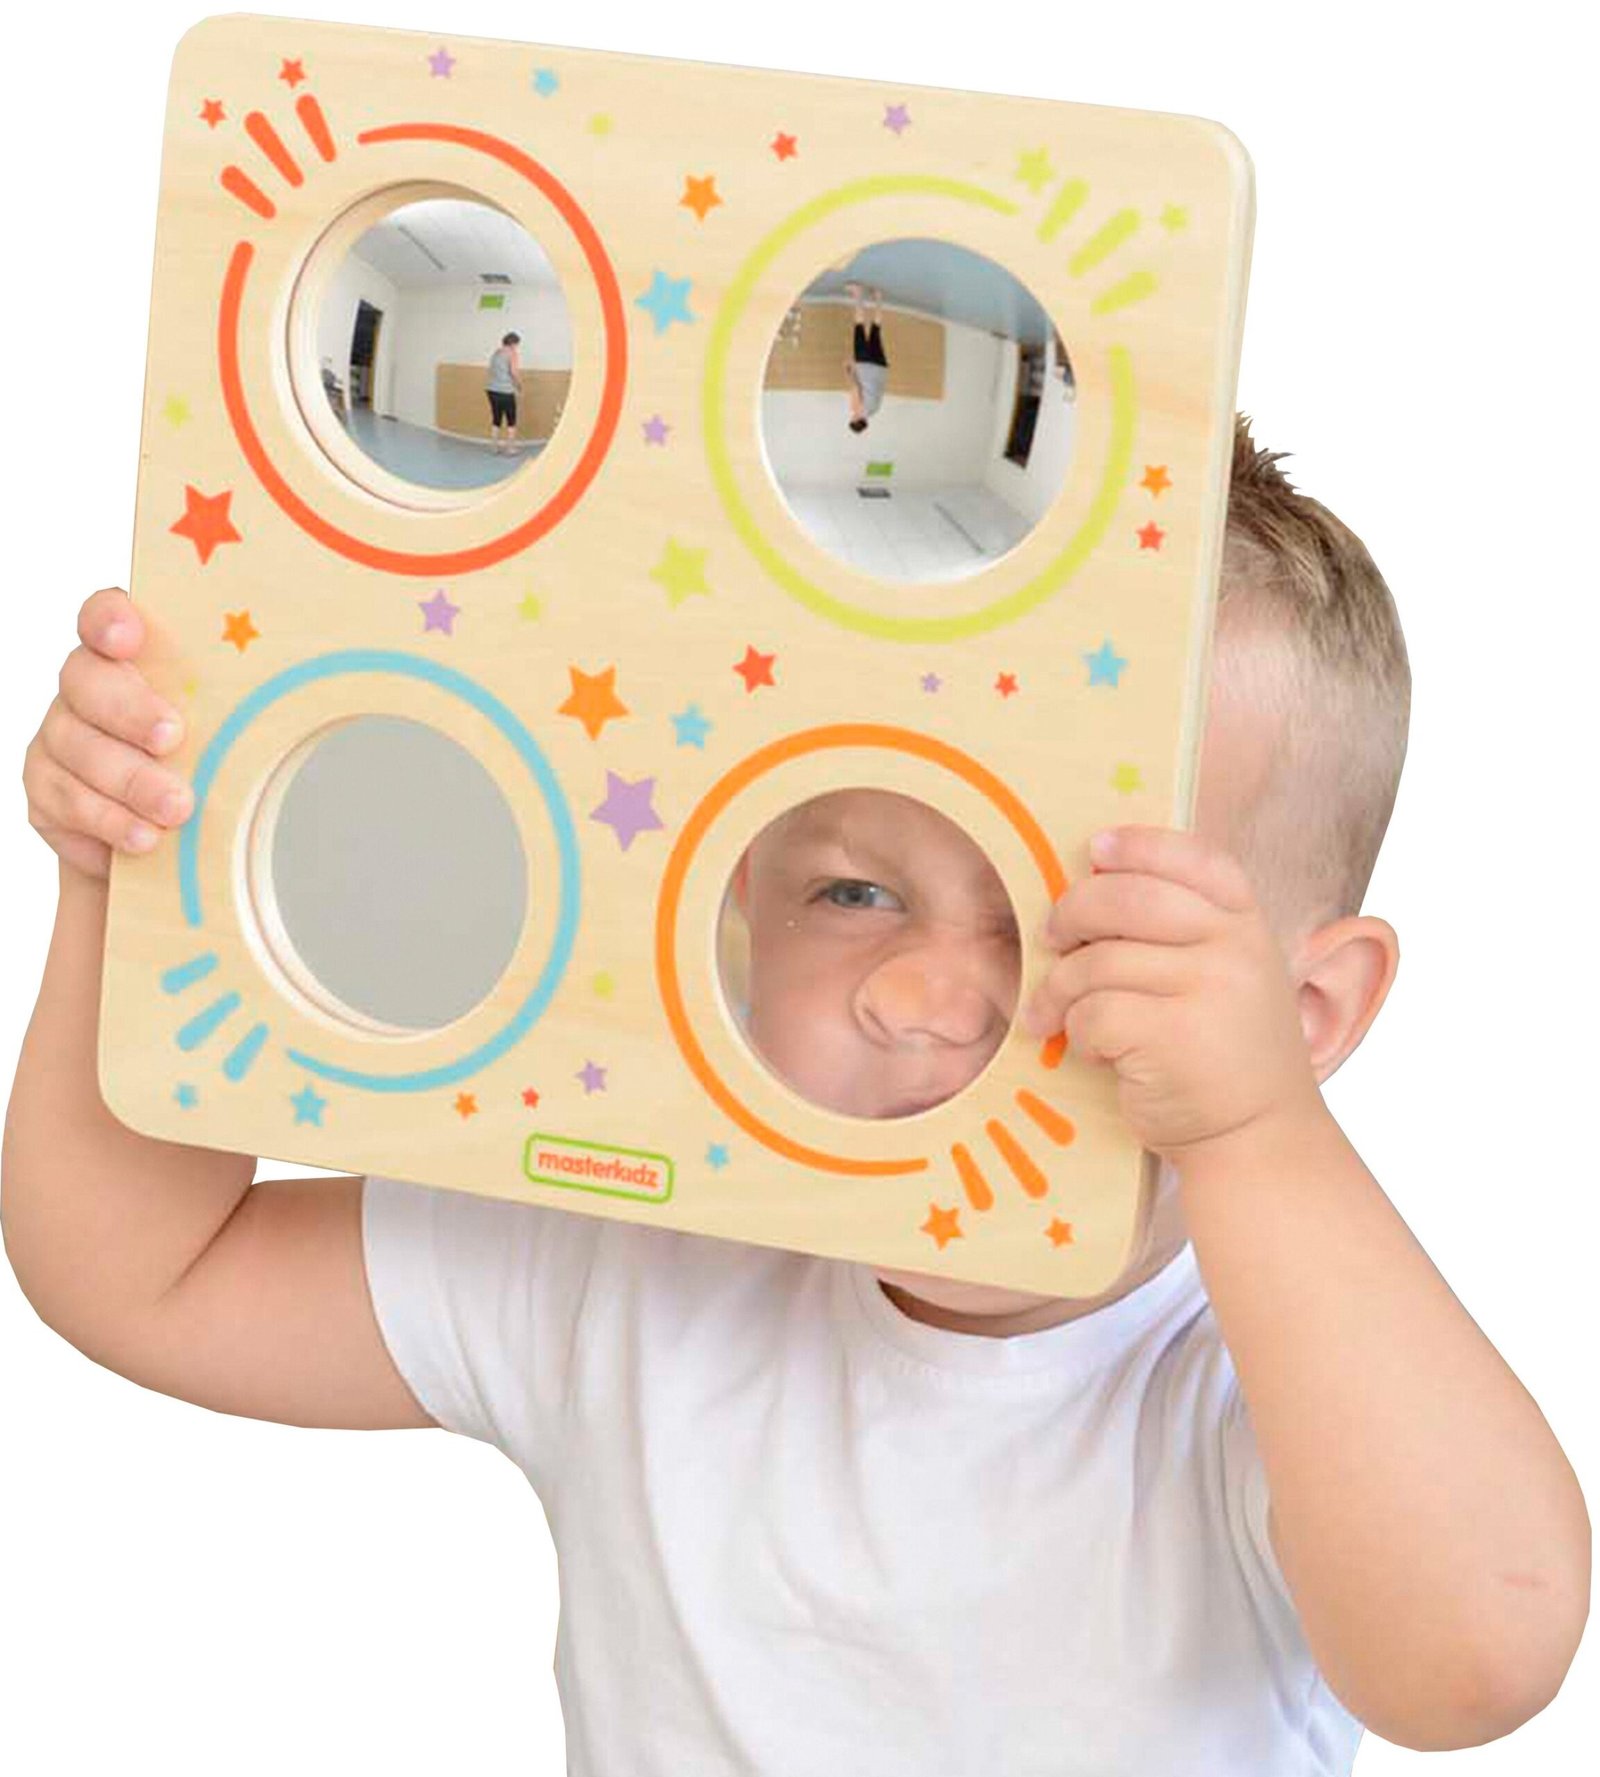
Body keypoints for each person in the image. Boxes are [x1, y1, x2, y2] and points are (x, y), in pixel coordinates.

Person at [3, 416, 1588, 1771]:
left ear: (1304, 1015)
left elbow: (1475, 1659)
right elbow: (148, 1276)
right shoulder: (641, 1251)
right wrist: (133, 875)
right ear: (739, 899)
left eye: (1079, 929)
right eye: (852, 892)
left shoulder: (1264, 1376)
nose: (919, 996)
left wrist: (1254, 1135)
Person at [843, 281, 888, 434]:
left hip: (881, 367)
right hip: (865, 364)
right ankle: (857, 292)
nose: (852, 416)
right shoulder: (857, 409)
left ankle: (879, 297)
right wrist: (849, 370)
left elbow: (877, 389)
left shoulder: (874, 410)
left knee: (876, 331)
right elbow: (855, 386)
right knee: (859, 327)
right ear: (856, 420)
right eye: (852, 418)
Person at [484, 330, 523, 454]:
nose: (517, 347)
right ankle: (510, 448)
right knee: (511, 420)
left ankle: (494, 447)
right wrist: (519, 386)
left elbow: (491, 370)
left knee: (496, 419)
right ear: (513, 343)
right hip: (505, 391)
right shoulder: (512, 353)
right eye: (516, 344)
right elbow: (514, 372)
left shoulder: (496, 353)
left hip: (491, 390)